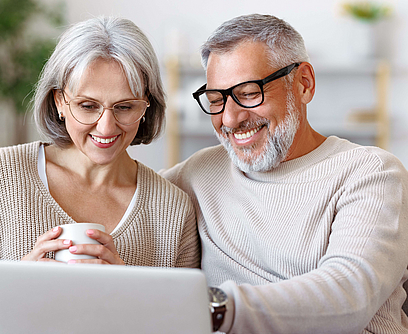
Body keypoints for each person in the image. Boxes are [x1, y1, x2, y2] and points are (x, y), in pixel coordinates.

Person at [0, 17, 200, 333]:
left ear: (146, 106)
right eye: (87, 106)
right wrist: (14, 291)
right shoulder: (2, 173)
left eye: (124, 107)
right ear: (60, 101)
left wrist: (127, 295)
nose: (106, 127)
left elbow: (186, 324)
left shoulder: (173, 210)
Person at [160, 14, 408, 334]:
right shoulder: (197, 173)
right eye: (216, 100)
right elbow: (123, 191)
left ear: (303, 83)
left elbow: (349, 296)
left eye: (249, 93)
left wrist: (212, 307)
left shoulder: (371, 173)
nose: (231, 118)